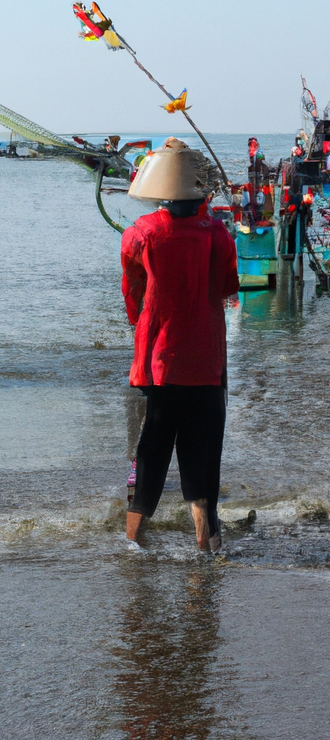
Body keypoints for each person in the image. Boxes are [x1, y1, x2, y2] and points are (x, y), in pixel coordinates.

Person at [121, 138, 239, 551]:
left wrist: (142, 322)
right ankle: (206, 546)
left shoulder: (140, 233)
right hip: (207, 362)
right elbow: (227, 287)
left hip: (159, 363)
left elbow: (133, 293)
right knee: (202, 458)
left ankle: (132, 541)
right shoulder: (219, 235)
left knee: (151, 452)